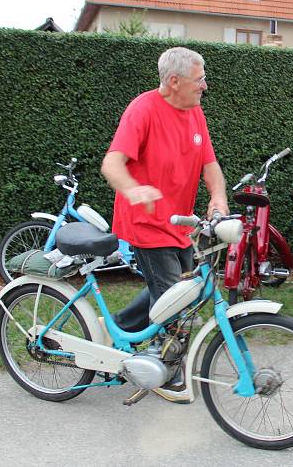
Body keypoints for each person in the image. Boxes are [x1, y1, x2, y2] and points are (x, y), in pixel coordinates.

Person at [100, 46, 228, 401]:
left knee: (177, 290)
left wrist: (218, 197)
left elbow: (209, 164)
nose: (205, 86)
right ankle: (164, 373)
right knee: (176, 303)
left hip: (181, 224)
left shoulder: (195, 112)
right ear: (174, 81)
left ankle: (118, 329)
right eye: (199, 79)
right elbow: (112, 163)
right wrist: (133, 190)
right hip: (146, 224)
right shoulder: (143, 109)